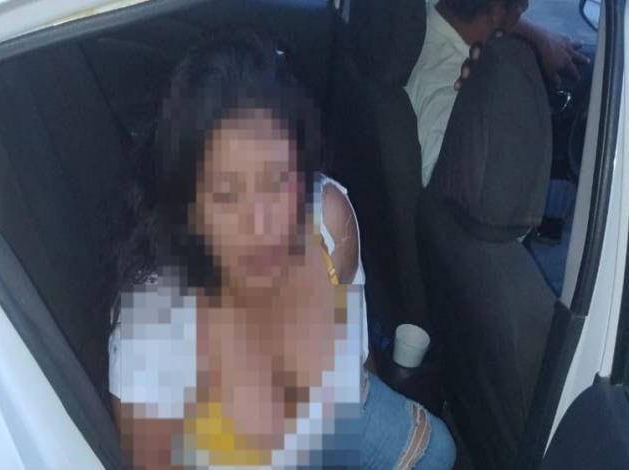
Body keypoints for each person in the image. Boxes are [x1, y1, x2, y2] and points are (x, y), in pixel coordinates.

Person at [109, 31, 456, 469]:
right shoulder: (152, 315)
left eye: (276, 179)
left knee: (437, 450)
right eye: (227, 193)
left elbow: (354, 359)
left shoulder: (326, 217)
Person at [405, 0, 590, 186]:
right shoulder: (448, 96)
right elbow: (447, 190)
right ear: (495, 11)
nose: (522, 12)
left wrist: (540, 39)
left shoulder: (427, 13)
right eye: (522, 7)